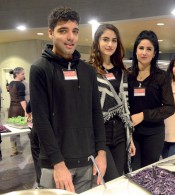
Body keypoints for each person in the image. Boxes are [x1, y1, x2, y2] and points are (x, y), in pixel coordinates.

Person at [29, 7, 106, 193]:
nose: (70, 37)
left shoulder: (87, 71)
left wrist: (101, 153)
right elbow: (41, 120)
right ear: (50, 33)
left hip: (88, 162)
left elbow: (96, 113)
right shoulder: (40, 69)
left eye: (75, 31)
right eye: (63, 31)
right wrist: (58, 163)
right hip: (56, 166)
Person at [89, 24, 135, 181]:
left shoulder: (121, 71)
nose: (110, 44)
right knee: (110, 178)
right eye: (105, 39)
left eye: (114, 40)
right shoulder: (88, 70)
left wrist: (131, 139)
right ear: (97, 42)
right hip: (101, 134)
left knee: (119, 179)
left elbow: (126, 105)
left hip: (121, 134)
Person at [128, 30, 175, 170]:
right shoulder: (127, 75)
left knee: (148, 173)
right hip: (131, 133)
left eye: (149, 49)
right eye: (141, 48)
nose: (144, 52)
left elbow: (169, 107)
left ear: (154, 53)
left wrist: (143, 115)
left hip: (154, 133)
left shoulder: (162, 77)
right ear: (135, 51)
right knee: (133, 172)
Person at [8, 67, 26, 156]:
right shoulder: (20, 85)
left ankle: (13, 150)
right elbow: (22, 99)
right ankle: (18, 149)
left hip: (11, 109)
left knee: (13, 130)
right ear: (17, 74)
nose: (24, 75)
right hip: (19, 109)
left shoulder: (11, 83)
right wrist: (26, 111)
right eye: (23, 74)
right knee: (20, 129)